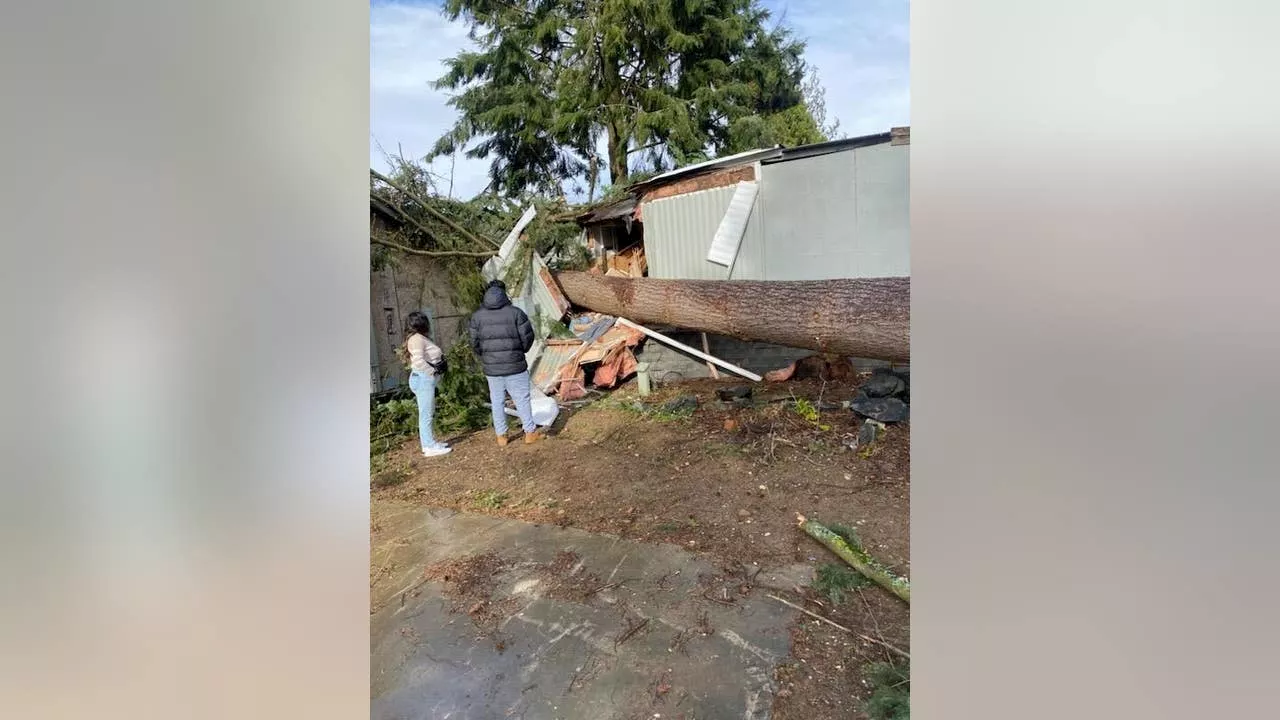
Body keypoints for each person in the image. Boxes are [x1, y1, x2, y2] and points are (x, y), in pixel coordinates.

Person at [468, 279, 543, 446]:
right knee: (522, 399)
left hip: (492, 368)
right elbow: (527, 337)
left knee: (497, 401)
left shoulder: (477, 316)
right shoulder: (516, 313)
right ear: (504, 293)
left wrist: (486, 356)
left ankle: (501, 436)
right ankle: (530, 432)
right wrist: (519, 351)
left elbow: (474, 342)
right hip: (515, 365)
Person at [404, 312, 451, 457]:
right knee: (426, 414)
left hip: (423, 378)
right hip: (423, 378)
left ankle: (430, 442)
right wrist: (433, 371)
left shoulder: (419, 338)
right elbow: (418, 361)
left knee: (428, 412)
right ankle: (429, 446)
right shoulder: (417, 339)